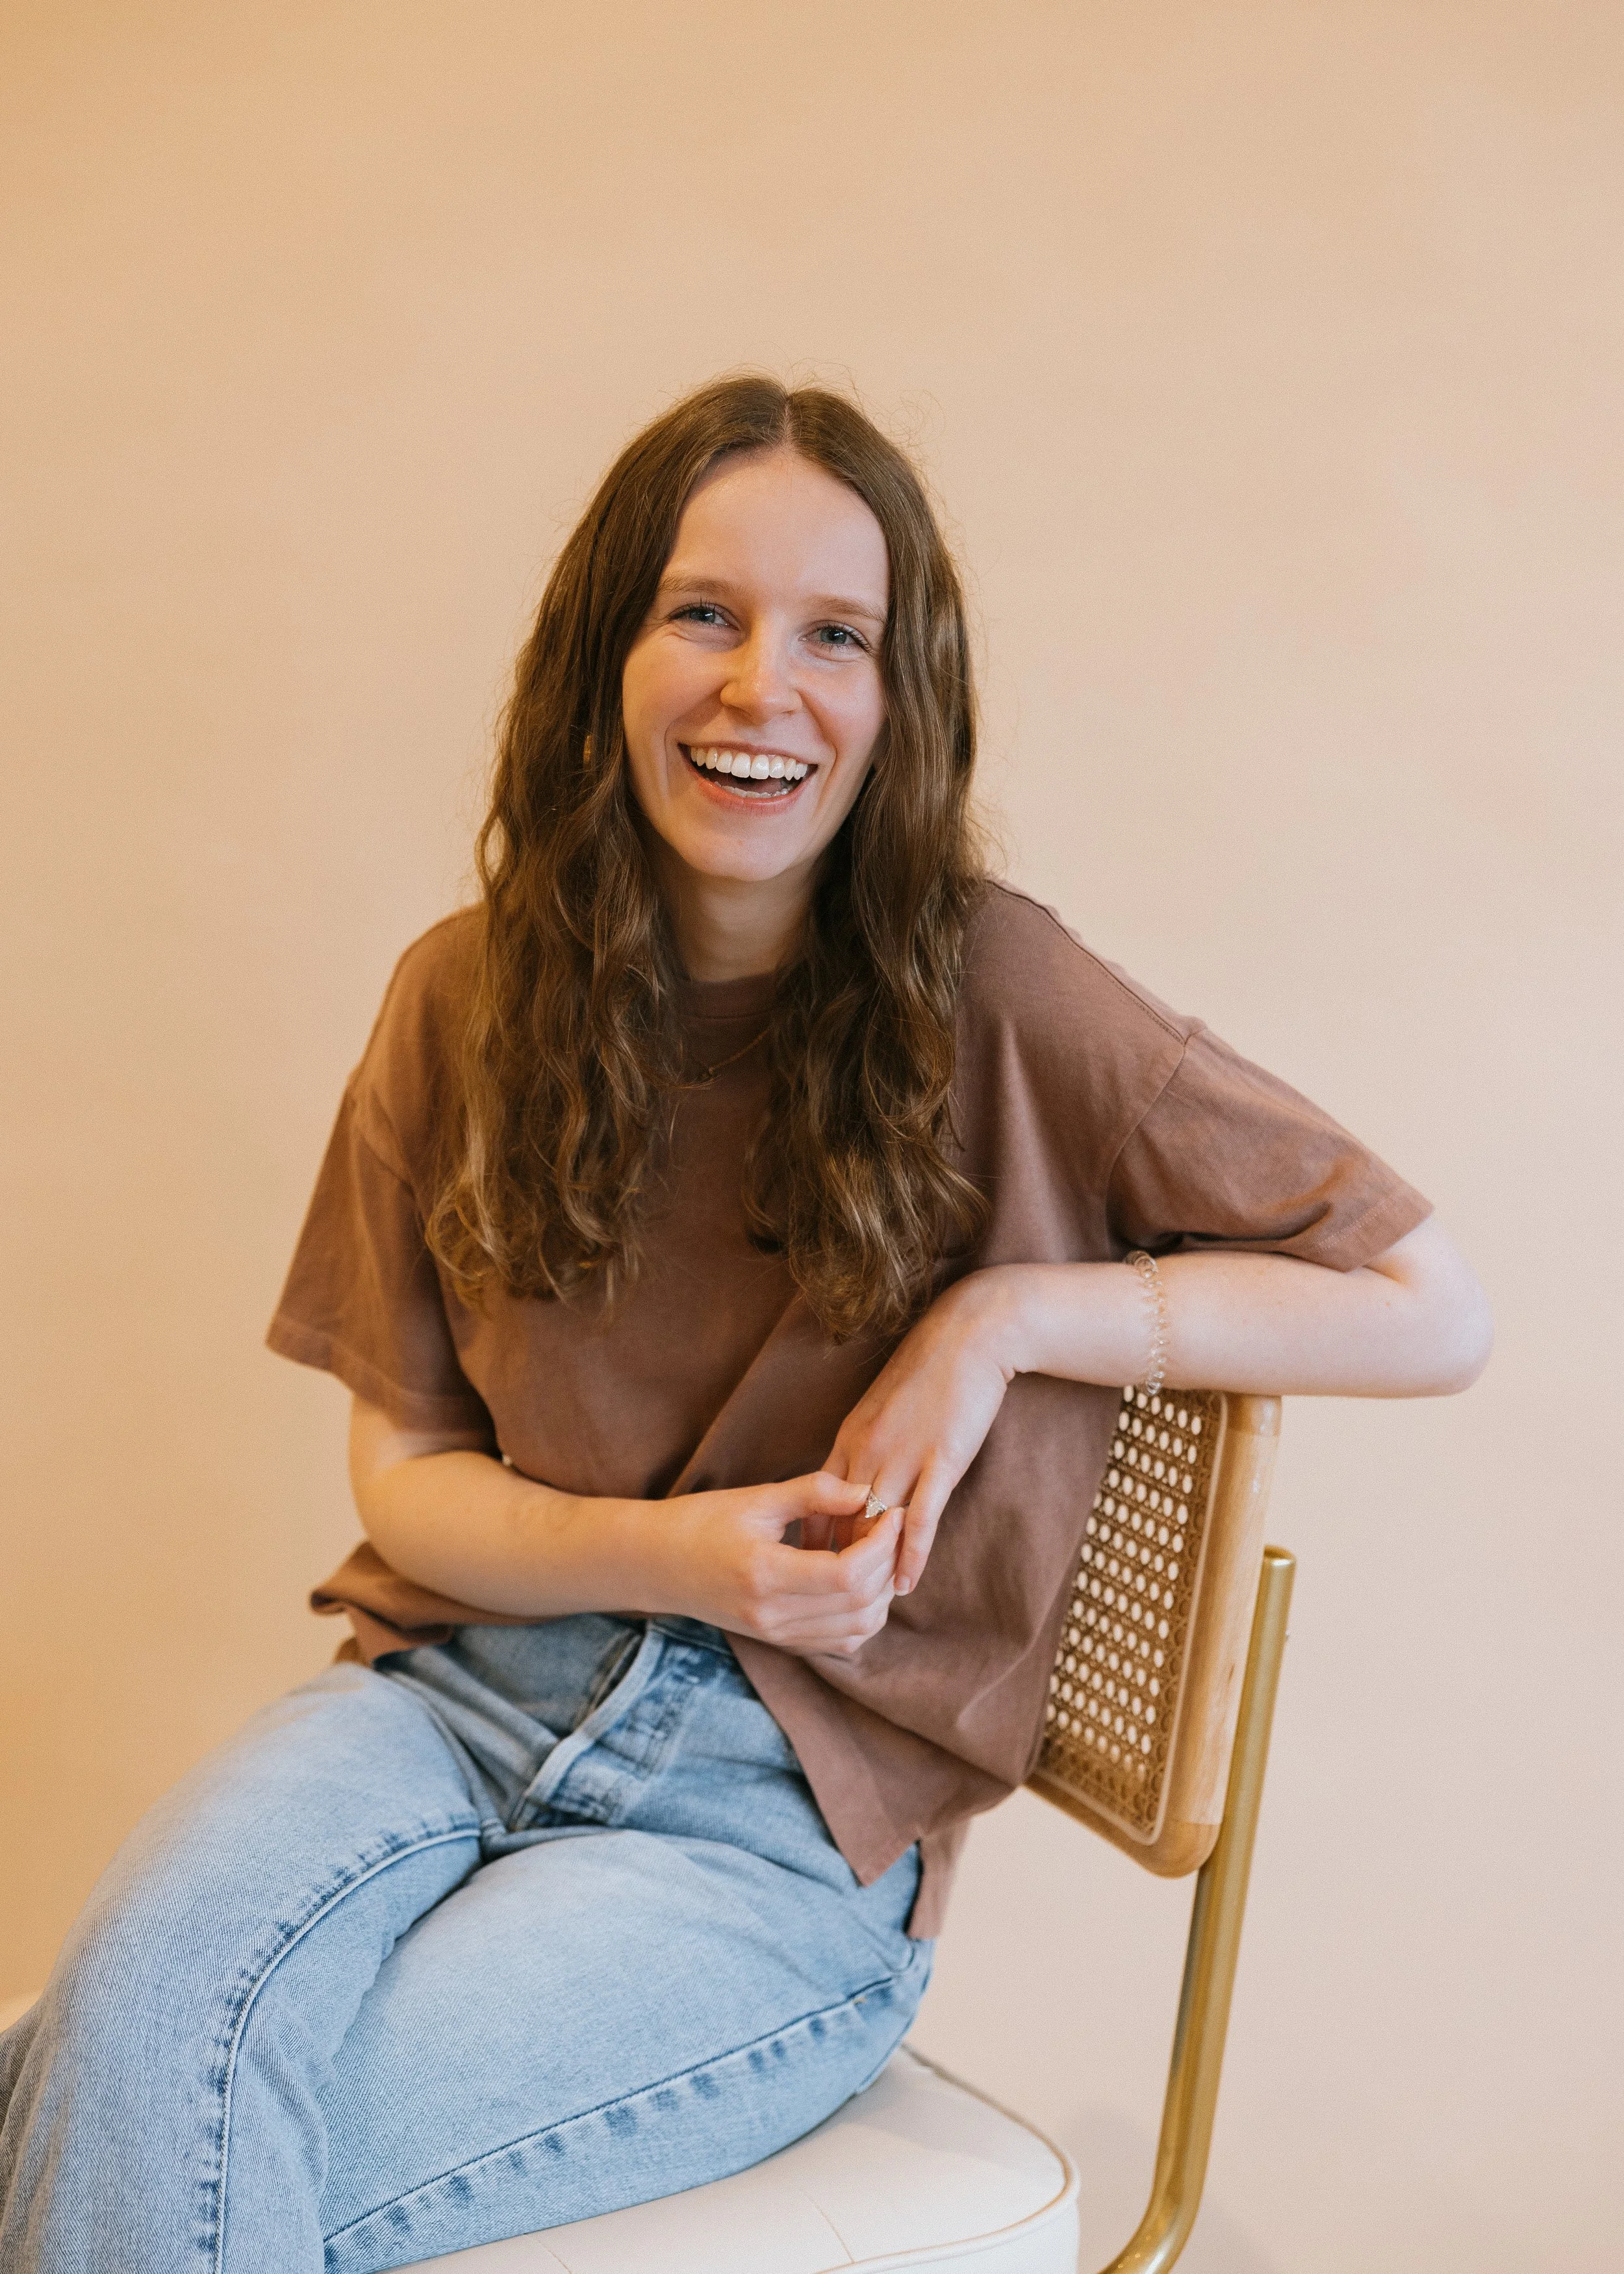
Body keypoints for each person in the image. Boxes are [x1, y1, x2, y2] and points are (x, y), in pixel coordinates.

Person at [0, 376, 1491, 2273]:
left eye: (834, 637)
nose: (756, 686)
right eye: (700, 611)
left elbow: (1428, 1305)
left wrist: (1008, 1315)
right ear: (603, 652)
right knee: (141, 2015)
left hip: (770, 1830)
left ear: (898, 698)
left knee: (152, 2139)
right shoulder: (462, 998)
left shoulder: (1002, 996)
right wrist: (679, 1556)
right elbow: (410, 1477)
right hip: (449, 1703)